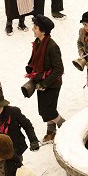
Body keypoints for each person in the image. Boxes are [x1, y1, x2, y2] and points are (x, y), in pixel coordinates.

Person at [26, 14, 66, 143]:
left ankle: (66, 126)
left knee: (48, 111)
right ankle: (51, 132)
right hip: (40, 82)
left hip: (52, 84)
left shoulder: (52, 47)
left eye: (36, 27)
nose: (33, 29)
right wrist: (30, 68)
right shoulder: (38, 42)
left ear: (43, 30)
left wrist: (45, 84)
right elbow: (36, 59)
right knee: (45, 110)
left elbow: (59, 70)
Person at [0, 87, 40, 159]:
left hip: (14, 148)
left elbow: (27, 125)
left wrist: (33, 140)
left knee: (15, 168)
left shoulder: (14, 112)